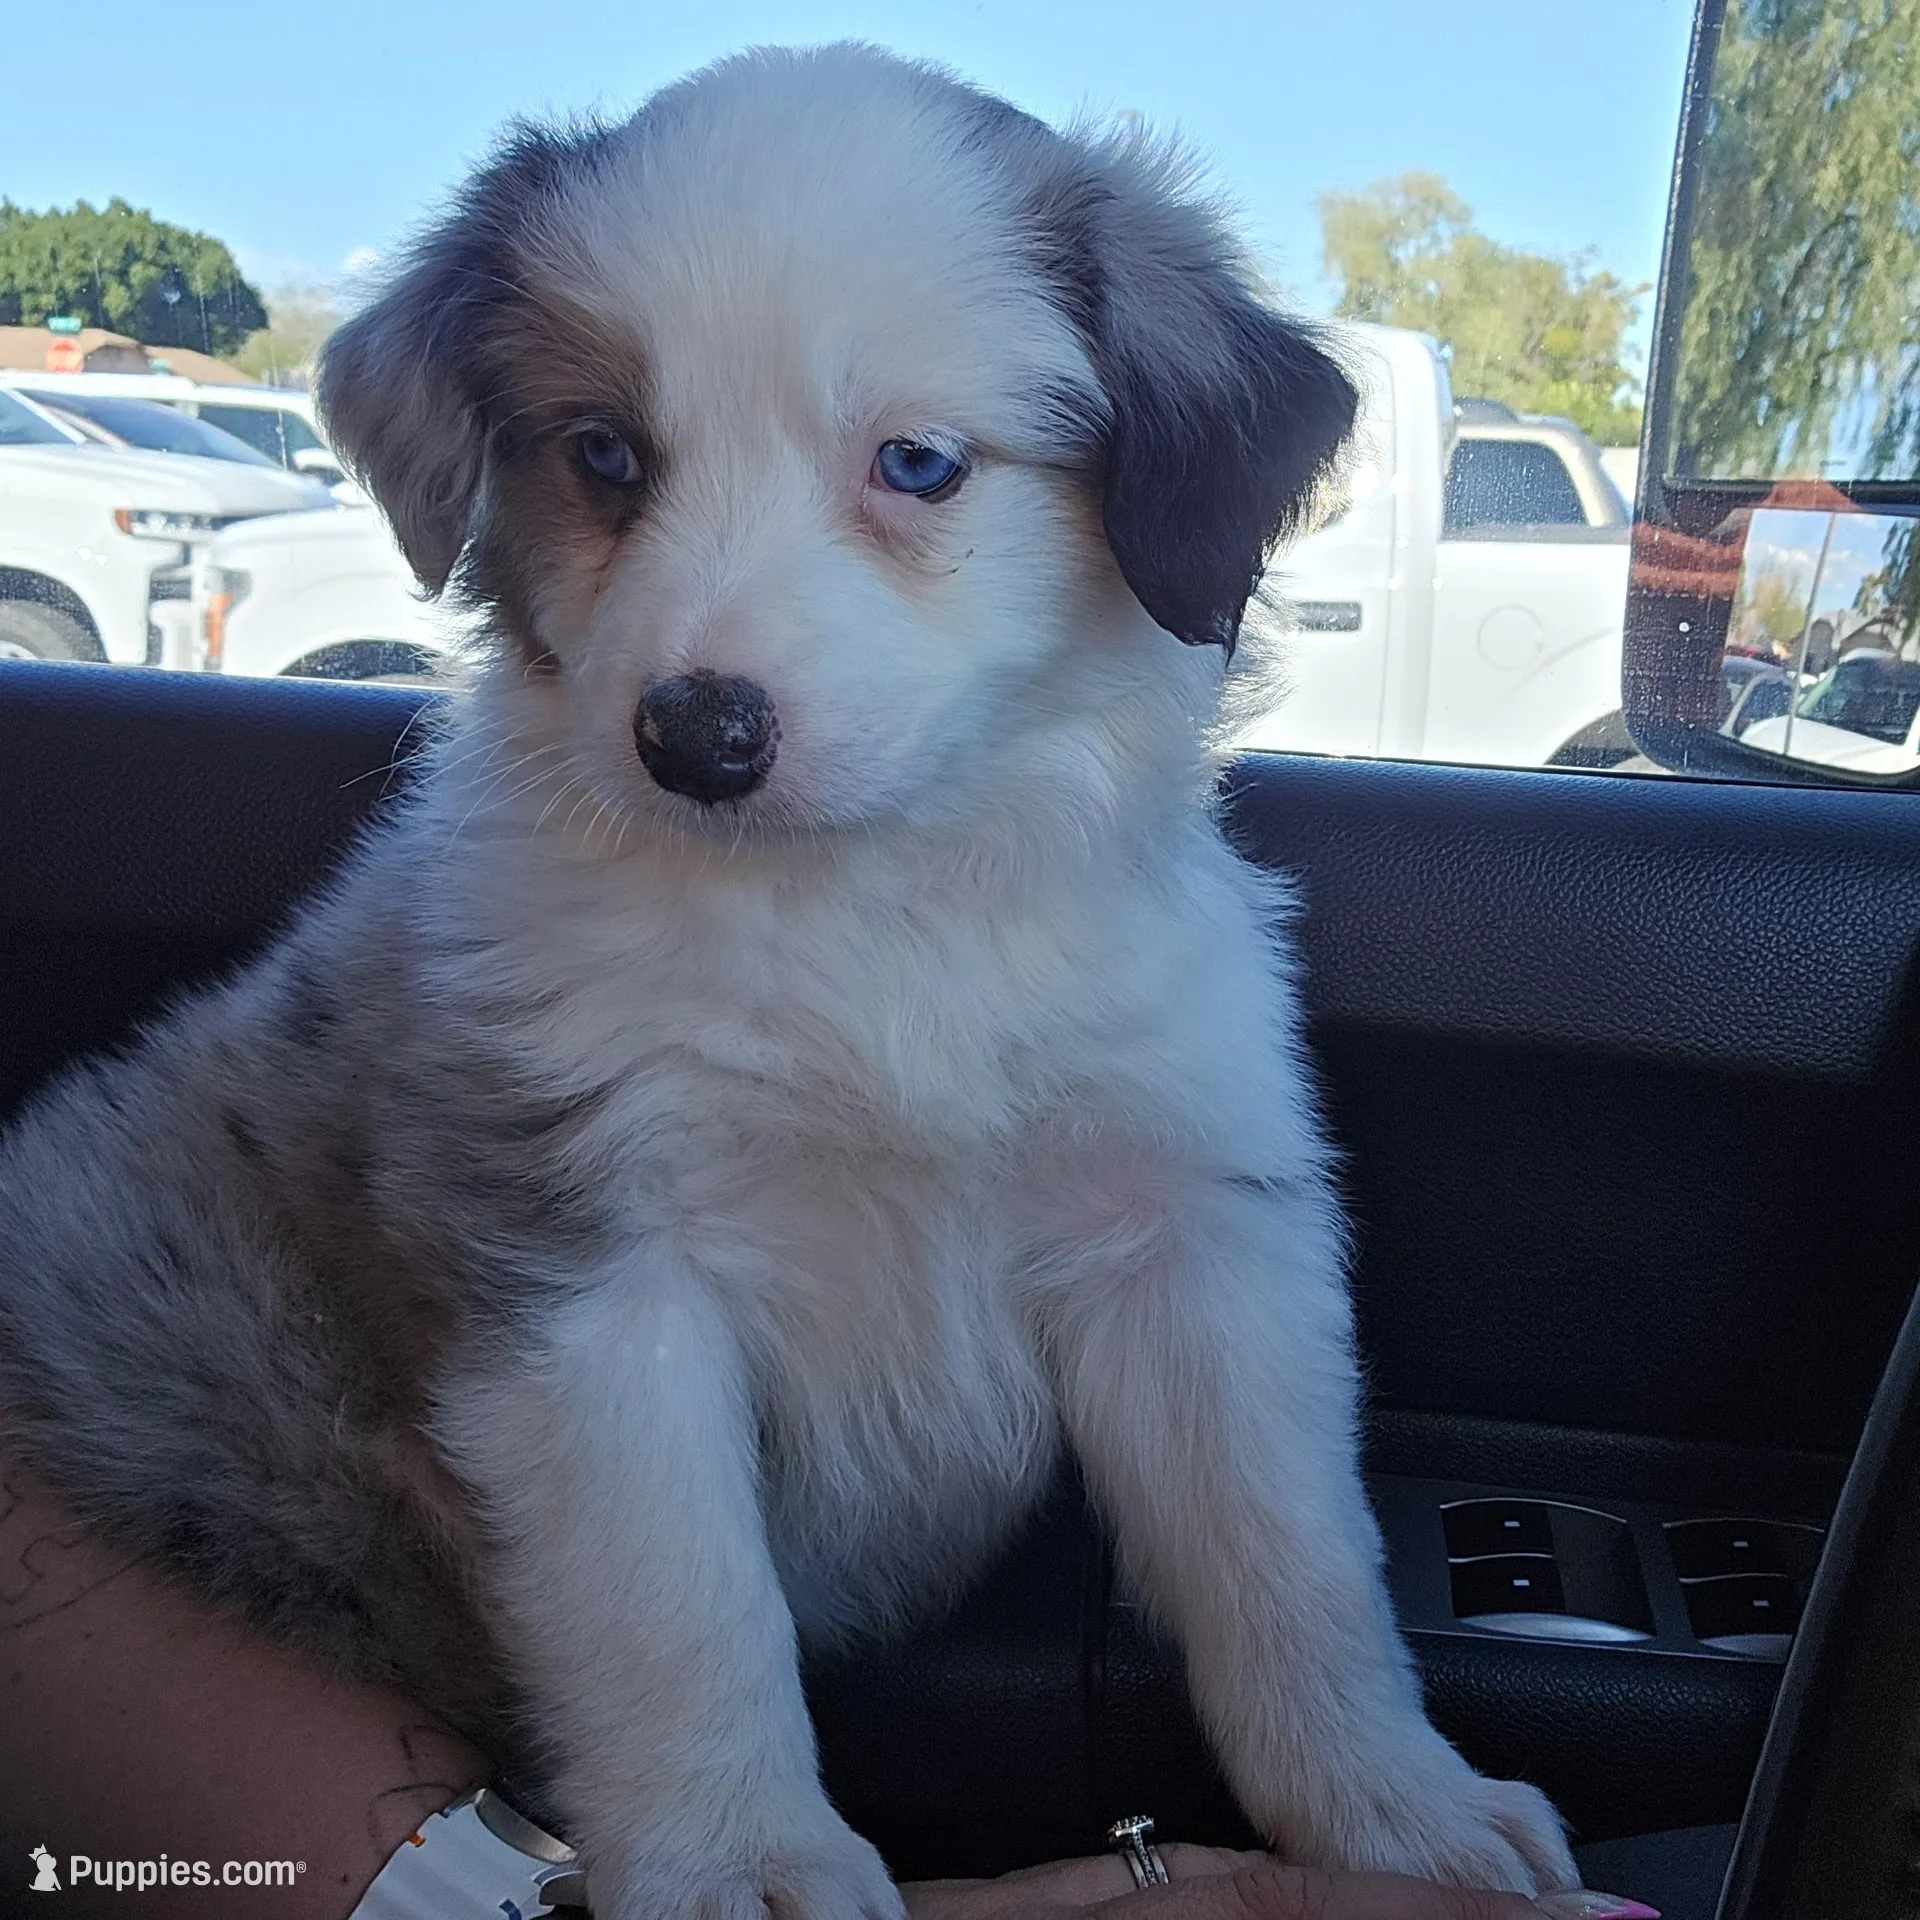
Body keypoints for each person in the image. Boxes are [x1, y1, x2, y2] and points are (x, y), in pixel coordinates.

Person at [0, 1431, 1649, 1920]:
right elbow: (589, 1305)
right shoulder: (548, 912)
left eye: (898, 553)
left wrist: (1342, 1742)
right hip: (249, 1527)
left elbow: (1183, 1250)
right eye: (619, 556)